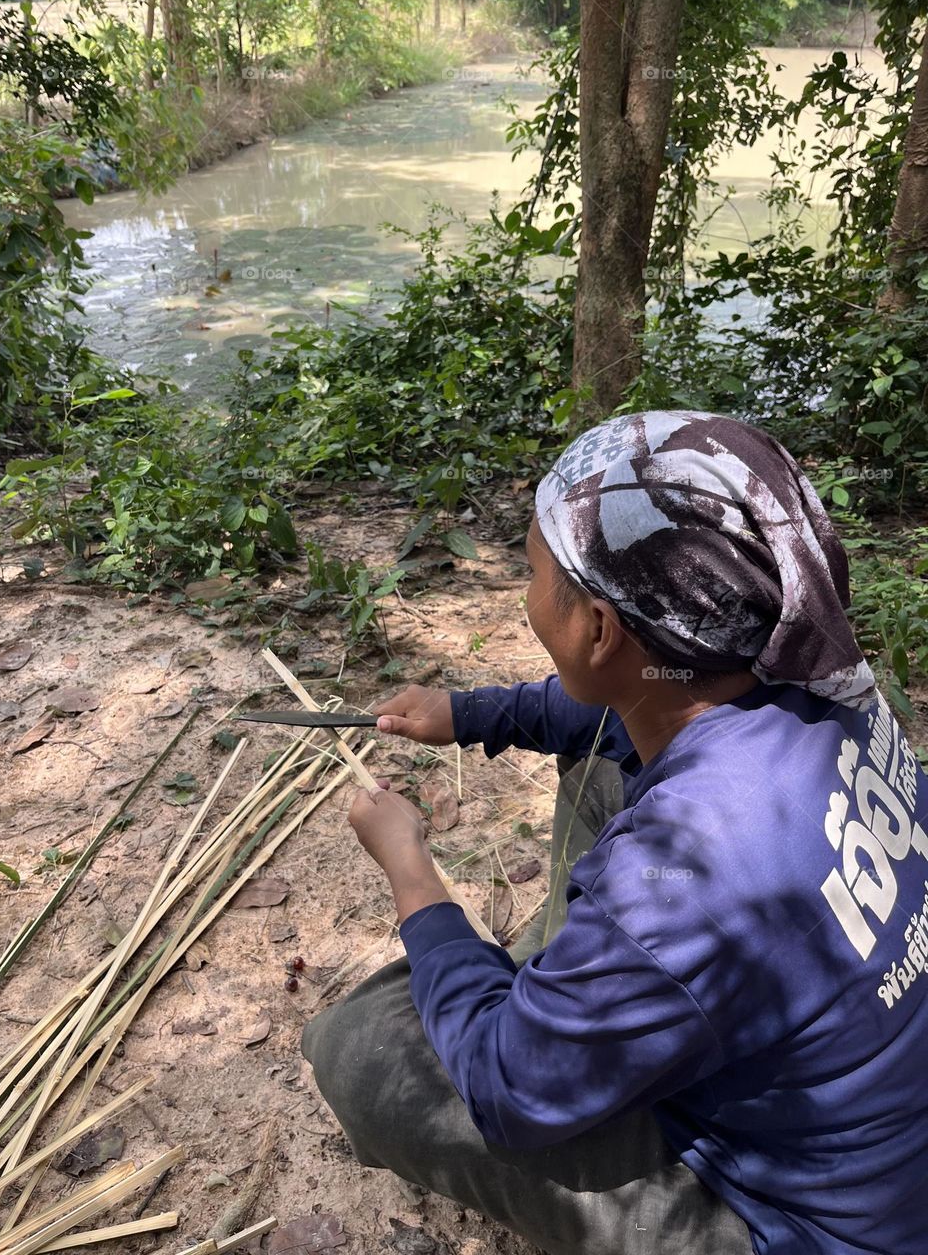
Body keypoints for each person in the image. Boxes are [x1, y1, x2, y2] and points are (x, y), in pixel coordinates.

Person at [300, 410, 928, 1255]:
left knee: (358, 1046)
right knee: (605, 745)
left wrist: (412, 872)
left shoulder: (686, 879)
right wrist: (466, 713)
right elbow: (621, 696)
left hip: (805, 1231)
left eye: (530, 575)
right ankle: (579, 1001)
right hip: (870, 1137)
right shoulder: (804, 677)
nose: (524, 599)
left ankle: (559, 1008)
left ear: (598, 628)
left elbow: (501, 1085)